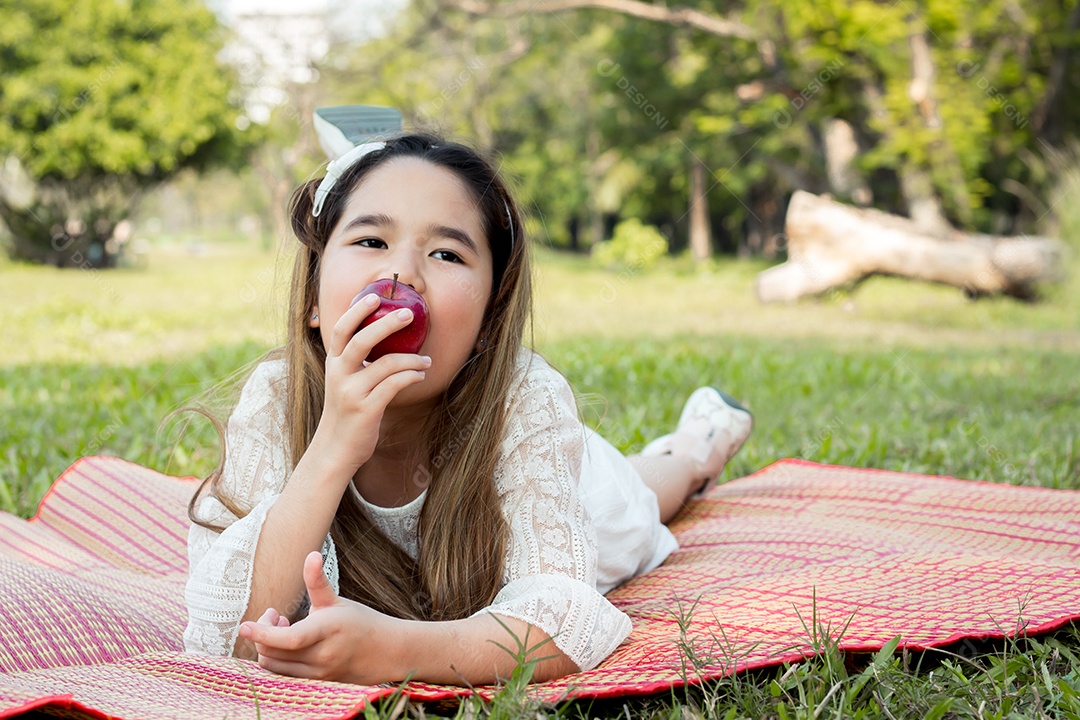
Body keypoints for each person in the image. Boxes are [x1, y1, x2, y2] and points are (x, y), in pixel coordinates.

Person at [182, 132, 753, 686]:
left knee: (646, 494)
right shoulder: (278, 397)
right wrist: (332, 447)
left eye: (446, 253)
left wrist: (395, 650)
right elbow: (231, 633)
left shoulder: (522, 401)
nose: (401, 273)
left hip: (578, 498)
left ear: (487, 322)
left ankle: (701, 442)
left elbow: (562, 614)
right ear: (313, 297)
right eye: (371, 242)